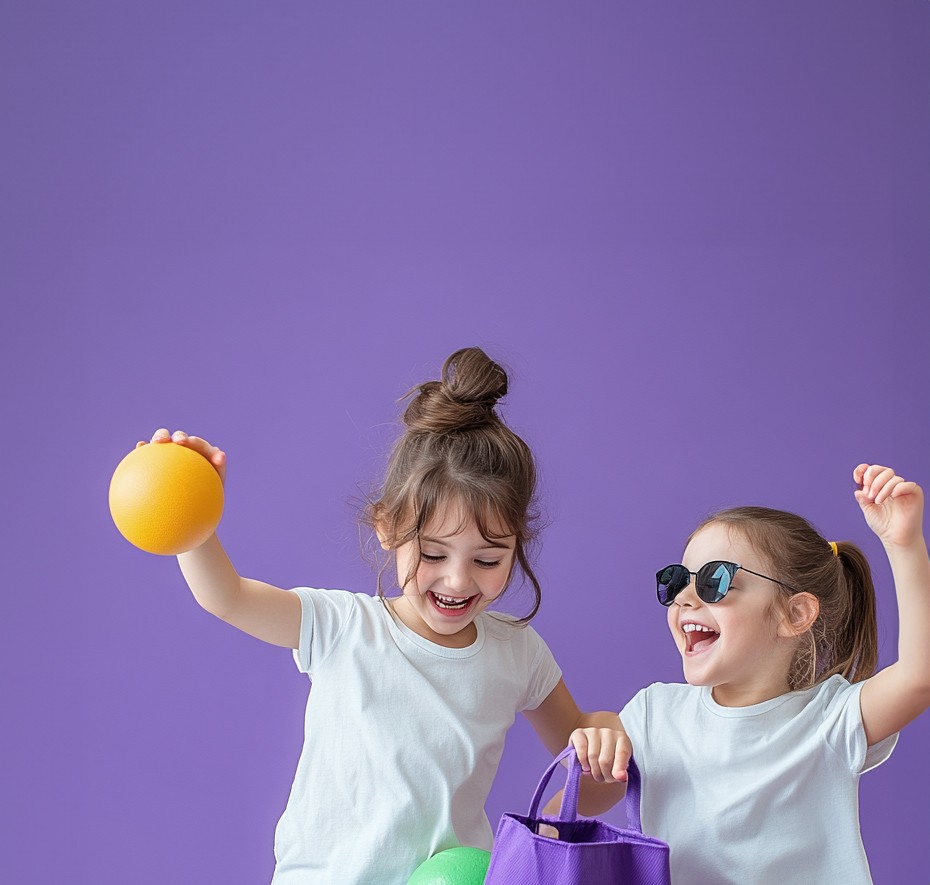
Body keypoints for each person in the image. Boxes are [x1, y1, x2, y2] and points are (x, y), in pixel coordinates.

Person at [139, 347, 628, 885]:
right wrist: (193, 522)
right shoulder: (342, 626)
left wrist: (603, 738)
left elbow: (592, 758)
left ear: (518, 547)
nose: (458, 580)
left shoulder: (518, 652)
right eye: (434, 554)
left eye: (488, 560)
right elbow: (226, 597)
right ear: (386, 527)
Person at [614, 463, 929, 884]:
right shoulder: (653, 714)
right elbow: (574, 806)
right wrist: (591, 750)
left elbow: (918, 676)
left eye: (715, 581)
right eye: (677, 581)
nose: (685, 599)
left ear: (794, 614)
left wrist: (903, 543)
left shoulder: (830, 720)